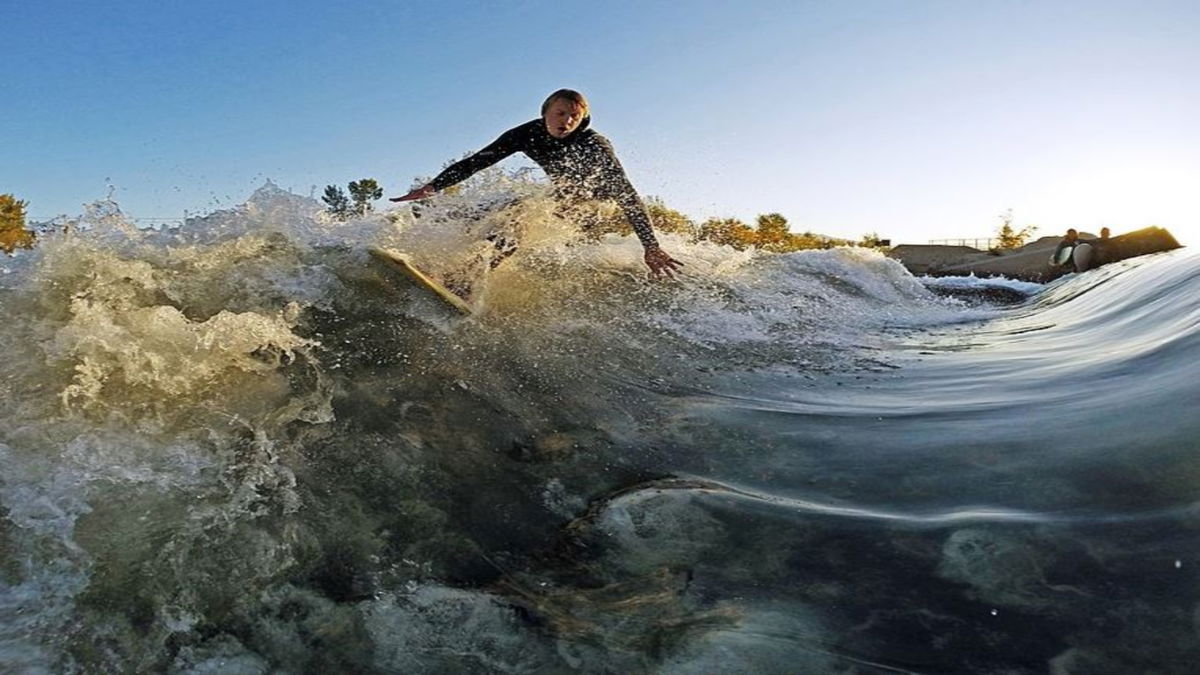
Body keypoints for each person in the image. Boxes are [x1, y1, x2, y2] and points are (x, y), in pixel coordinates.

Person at [391, 89, 684, 279]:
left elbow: (627, 196)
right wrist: (432, 187)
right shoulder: (525, 134)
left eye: (574, 117)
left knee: (524, 213)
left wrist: (651, 246)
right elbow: (477, 162)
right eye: (561, 113)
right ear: (545, 112)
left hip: (595, 205)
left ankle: (471, 277)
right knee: (496, 209)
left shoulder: (595, 145)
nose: (567, 121)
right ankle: (447, 266)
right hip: (561, 195)